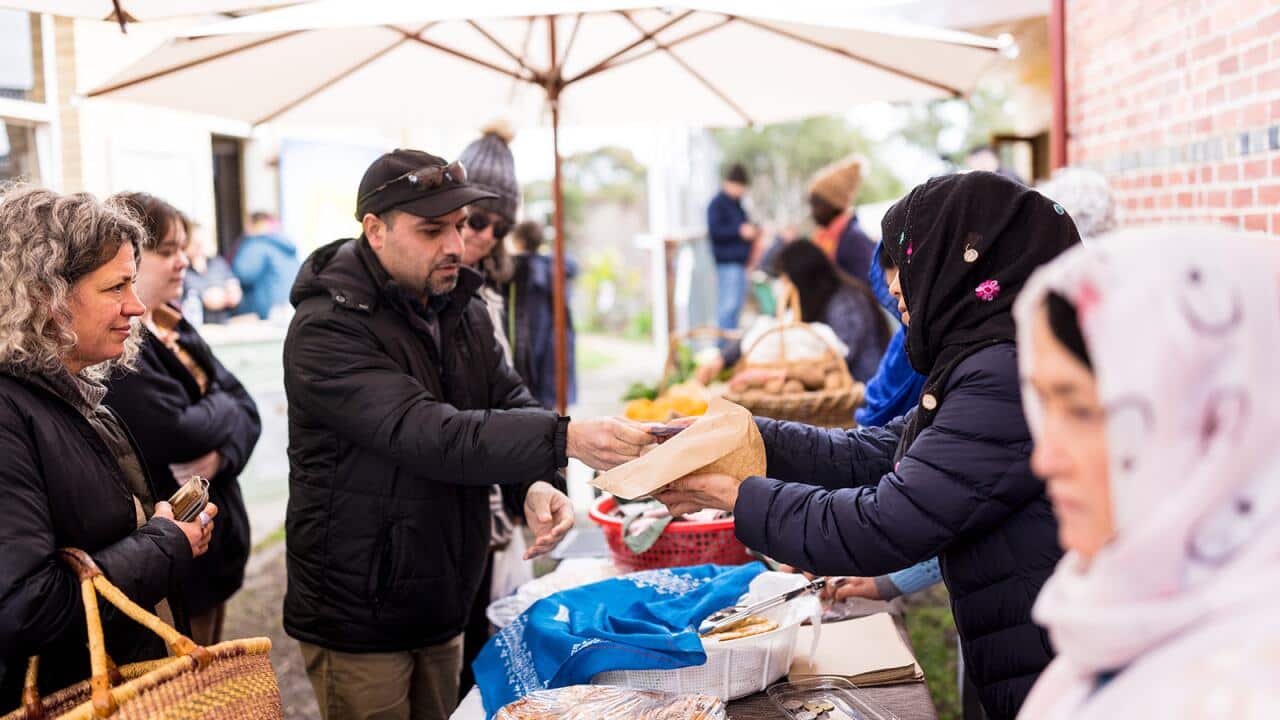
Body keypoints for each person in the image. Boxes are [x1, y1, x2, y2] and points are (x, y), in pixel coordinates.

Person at [655, 172, 1080, 719]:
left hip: (1048, 667)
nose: (899, 299)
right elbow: (880, 453)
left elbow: (887, 521)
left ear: (962, 260)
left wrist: (740, 497)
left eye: (906, 283)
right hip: (1025, 649)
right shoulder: (985, 358)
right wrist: (747, 435)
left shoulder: (1003, 371)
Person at [283, 148, 655, 720]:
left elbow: (506, 397)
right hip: (359, 609)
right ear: (374, 230)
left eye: (459, 226)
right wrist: (566, 439)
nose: (456, 245)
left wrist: (532, 481)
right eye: (433, 230)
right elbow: (430, 434)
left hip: (446, 593)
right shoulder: (327, 327)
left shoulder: (459, 303)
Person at [1014, 229, 1280, 719]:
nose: (1044, 459)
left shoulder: (1245, 691)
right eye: (1043, 405)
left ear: (1215, 423)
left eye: (1081, 410)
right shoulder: (1122, 616)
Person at [0, 186, 213, 708]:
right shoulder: (9, 412)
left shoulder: (76, 395)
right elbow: (25, 606)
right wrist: (164, 544)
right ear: (44, 294)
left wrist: (158, 525)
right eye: (117, 287)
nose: (137, 307)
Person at [105, 192, 261, 647]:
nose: (182, 264)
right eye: (168, 251)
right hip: (178, 562)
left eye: (183, 251)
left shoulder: (174, 324)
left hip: (213, 550)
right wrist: (221, 402)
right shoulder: (123, 347)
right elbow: (176, 431)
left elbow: (247, 405)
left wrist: (224, 455)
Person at [696, 240, 890, 384]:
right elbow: (766, 330)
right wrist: (722, 360)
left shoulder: (847, 302)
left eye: (785, 278)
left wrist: (782, 371)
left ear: (803, 277)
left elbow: (839, 354)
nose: (782, 285)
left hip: (862, 398)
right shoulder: (807, 301)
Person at [507, 220, 578, 411]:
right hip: (559, 342)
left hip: (540, 347)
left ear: (519, 241)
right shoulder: (554, 265)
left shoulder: (527, 270)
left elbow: (534, 325)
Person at [707, 163, 758, 330]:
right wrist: (739, 231)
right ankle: (722, 349)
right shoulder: (717, 204)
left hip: (739, 263)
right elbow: (715, 231)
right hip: (727, 263)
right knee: (727, 307)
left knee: (735, 308)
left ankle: (729, 347)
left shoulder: (737, 204)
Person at [809, 155, 875, 281]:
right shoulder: (825, 236)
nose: (812, 211)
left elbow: (868, 288)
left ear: (833, 204)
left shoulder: (855, 240)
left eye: (816, 204)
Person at [231, 210, 300, 319]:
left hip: (269, 312)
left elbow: (242, 274)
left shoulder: (256, 244)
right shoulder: (285, 245)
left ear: (253, 225)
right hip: (290, 308)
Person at [181, 215, 241, 324]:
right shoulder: (181, 268)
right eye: (195, 242)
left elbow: (234, 291)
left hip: (224, 325)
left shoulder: (218, 263)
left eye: (201, 241)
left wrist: (231, 294)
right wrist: (205, 298)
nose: (199, 245)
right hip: (196, 327)